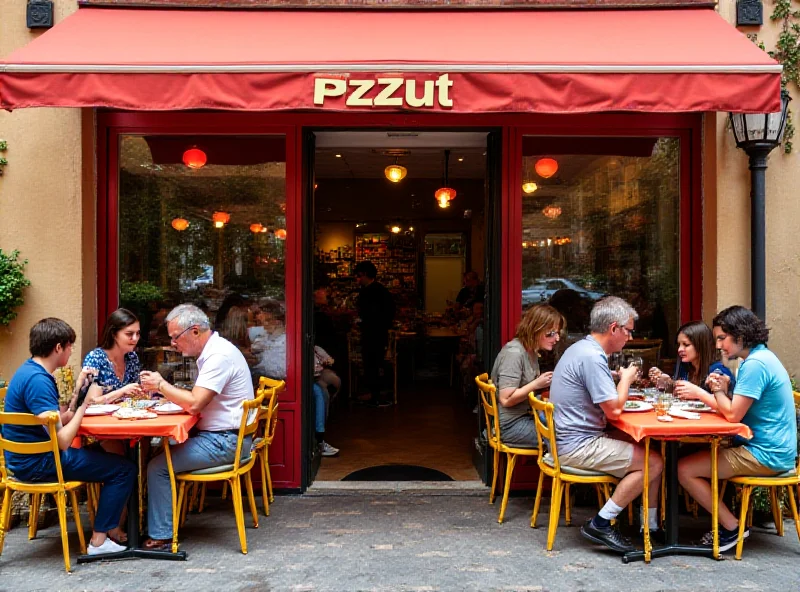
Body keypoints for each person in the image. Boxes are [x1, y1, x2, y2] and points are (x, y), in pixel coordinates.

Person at [2, 318, 137, 555]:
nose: (71, 351)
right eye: (70, 346)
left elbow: (59, 420)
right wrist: (87, 403)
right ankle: (98, 541)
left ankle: (110, 529)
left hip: (31, 458)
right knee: (124, 469)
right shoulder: (39, 381)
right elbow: (63, 441)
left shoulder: (29, 371)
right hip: (39, 463)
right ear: (58, 347)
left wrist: (77, 390)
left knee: (111, 455)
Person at [677, 306, 797, 552]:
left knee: (684, 469)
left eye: (722, 338)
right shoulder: (758, 358)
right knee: (690, 463)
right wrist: (727, 387)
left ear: (740, 336)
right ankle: (728, 524)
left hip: (766, 455)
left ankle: (732, 527)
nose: (719, 345)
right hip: (773, 449)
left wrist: (712, 391)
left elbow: (732, 414)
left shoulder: (755, 365)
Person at [550, 296, 664, 554]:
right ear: (614, 328)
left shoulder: (581, 349)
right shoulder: (592, 357)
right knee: (654, 462)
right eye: (628, 331)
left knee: (648, 446)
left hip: (569, 439)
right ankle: (601, 523)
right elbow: (613, 411)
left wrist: (613, 377)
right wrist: (626, 378)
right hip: (578, 445)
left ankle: (651, 526)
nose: (630, 338)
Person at [140, 304, 255, 550]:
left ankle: (161, 534)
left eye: (175, 337)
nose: (172, 344)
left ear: (194, 331)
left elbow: (194, 404)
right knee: (162, 450)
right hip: (226, 436)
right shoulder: (215, 350)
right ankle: (155, 517)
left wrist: (161, 385)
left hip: (225, 441)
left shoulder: (218, 357)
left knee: (158, 466)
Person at [490, 304, 564, 447]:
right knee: (566, 437)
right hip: (510, 426)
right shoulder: (514, 353)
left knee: (568, 428)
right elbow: (506, 399)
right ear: (535, 329)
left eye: (557, 333)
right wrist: (537, 384)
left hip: (525, 417)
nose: (557, 338)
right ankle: (555, 466)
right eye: (551, 333)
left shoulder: (531, 351)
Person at [648, 320, 735, 397]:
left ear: (701, 345)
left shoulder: (717, 371)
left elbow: (726, 406)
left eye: (686, 345)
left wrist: (698, 393)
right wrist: (668, 383)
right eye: (679, 345)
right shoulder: (685, 368)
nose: (680, 349)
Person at [83, 308, 145, 404]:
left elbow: (134, 395)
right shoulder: (96, 359)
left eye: (137, 333)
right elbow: (90, 402)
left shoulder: (132, 358)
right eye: (129, 334)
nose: (135, 338)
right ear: (114, 334)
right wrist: (122, 392)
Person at [354, 261, 395, 407]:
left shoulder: (368, 292)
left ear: (365, 275)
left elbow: (368, 314)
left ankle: (374, 396)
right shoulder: (382, 291)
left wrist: (361, 322)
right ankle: (376, 396)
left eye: (358, 276)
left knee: (371, 365)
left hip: (372, 334)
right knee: (375, 365)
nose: (357, 280)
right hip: (378, 334)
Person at [314, 346, 340, 457]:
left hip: (317, 376)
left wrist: (326, 361)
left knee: (333, 383)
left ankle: (320, 435)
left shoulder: (315, 348)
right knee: (320, 394)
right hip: (306, 378)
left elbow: (330, 360)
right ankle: (319, 439)